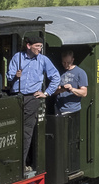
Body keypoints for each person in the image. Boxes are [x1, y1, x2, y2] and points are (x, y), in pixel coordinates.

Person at [6, 36, 60, 175]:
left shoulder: (43, 60)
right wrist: (15, 76)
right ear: (29, 46)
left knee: (26, 131)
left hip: (32, 97)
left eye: (41, 47)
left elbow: (55, 77)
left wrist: (46, 93)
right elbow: (9, 76)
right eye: (37, 46)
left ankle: (22, 164)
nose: (40, 49)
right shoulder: (17, 57)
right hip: (16, 96)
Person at [56, 50, 89, 115]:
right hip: (58, 108)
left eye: (68, 62)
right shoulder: (59, 71)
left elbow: (84, 93)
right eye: (64, 62)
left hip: (72, 109)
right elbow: (52, 91)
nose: (65, 65)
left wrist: (71, 89)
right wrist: (59, 90)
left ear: (72, 60)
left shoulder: (80, 73)